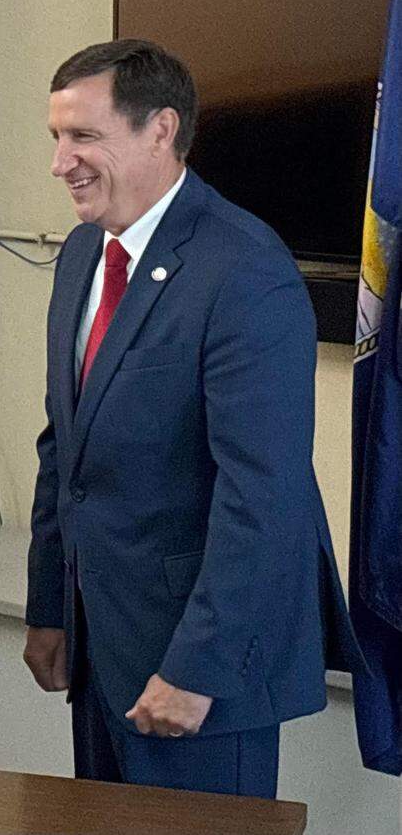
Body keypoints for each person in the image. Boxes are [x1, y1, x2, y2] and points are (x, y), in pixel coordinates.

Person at [23, 39, 363, 797]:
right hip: (99, 653)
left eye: (83, 136)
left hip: (199, 675)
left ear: (161, 129)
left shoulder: (246, 270)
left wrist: (195, 668)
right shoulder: (83, 254)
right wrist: (49, 607)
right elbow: (64, 446)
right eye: (56, 138)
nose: (61, 162)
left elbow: (262, 496)